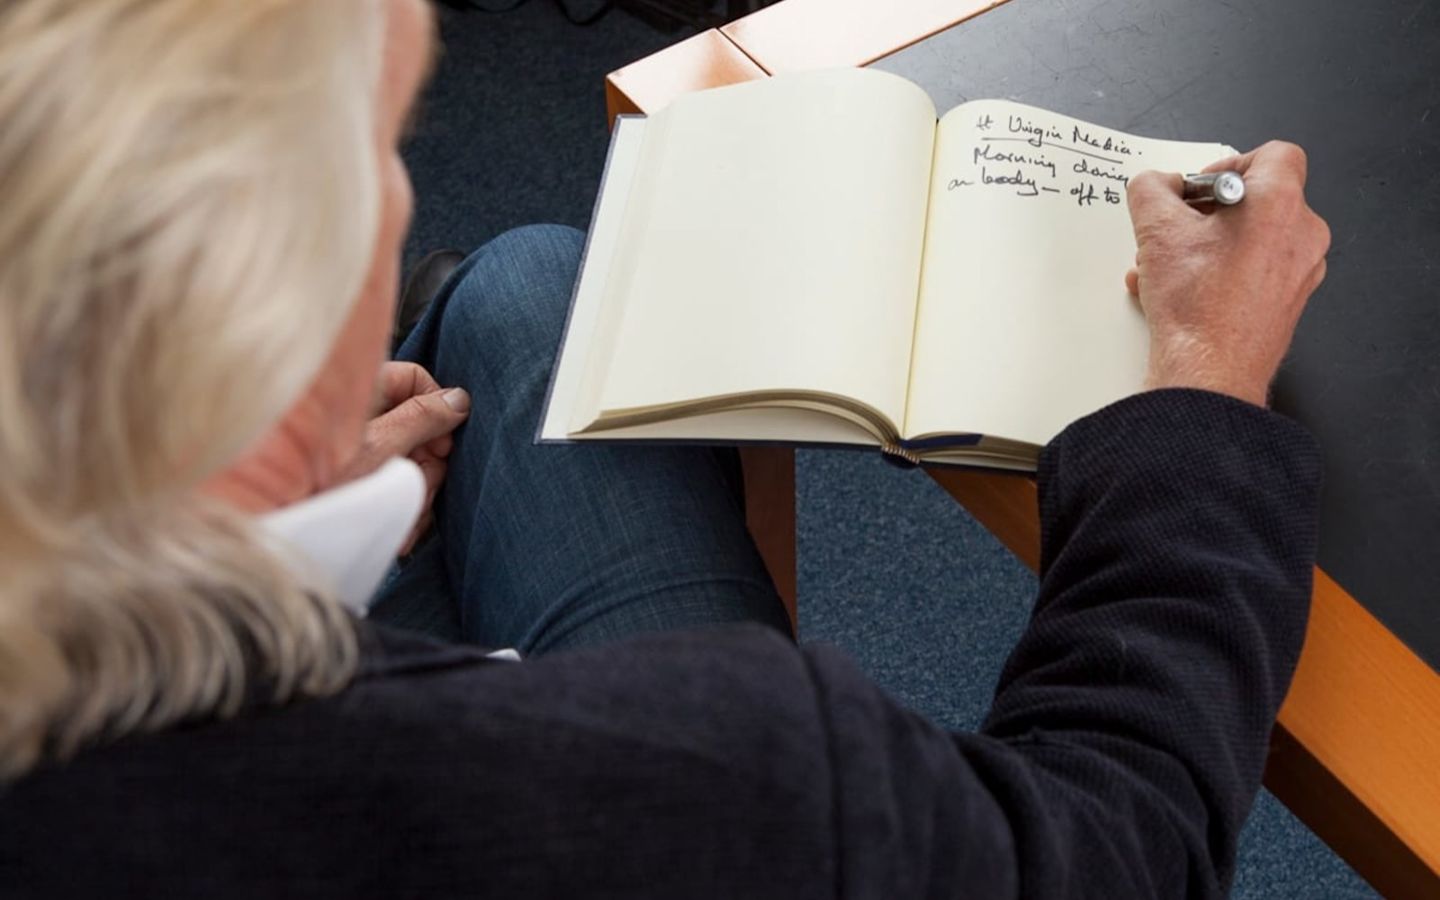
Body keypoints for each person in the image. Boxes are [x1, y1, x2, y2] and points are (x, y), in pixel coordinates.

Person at [0, 0, 1331, 897]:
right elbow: (1116, 849)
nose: (394, 189)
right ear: (253, 275)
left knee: (530, 289)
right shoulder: (725, 782)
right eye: (377, 150)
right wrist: (1205, 391)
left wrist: (225, 498)